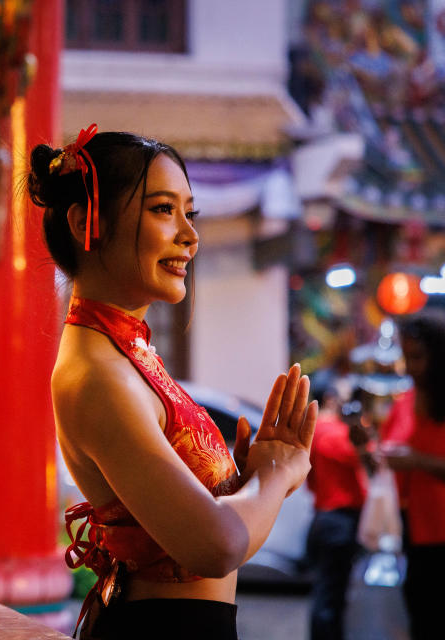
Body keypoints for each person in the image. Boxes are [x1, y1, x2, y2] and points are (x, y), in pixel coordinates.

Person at [28, 126, 318, 640]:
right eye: (163, 209)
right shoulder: (97, 374)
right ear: (83, 223)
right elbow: (215, 547)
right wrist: (275, 476)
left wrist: (246, 482)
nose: (190, 234)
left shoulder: (127, 350)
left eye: (191, 212)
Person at [379, 312, 445, 640]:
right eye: (406, 358)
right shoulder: (406, 400)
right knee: (421, 615)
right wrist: (366, 446)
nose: (411, 367)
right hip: (414, 531)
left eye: (418, 357)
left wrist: (417, 460)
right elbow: (386, 451)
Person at [305, 383, 372, 640]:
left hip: (324, 515)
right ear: (331, 399)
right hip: (339, 519)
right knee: (332, 594)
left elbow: (309, 480)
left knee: (327, 591)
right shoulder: (335, 434)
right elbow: (364, 458)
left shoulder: (313, 433)